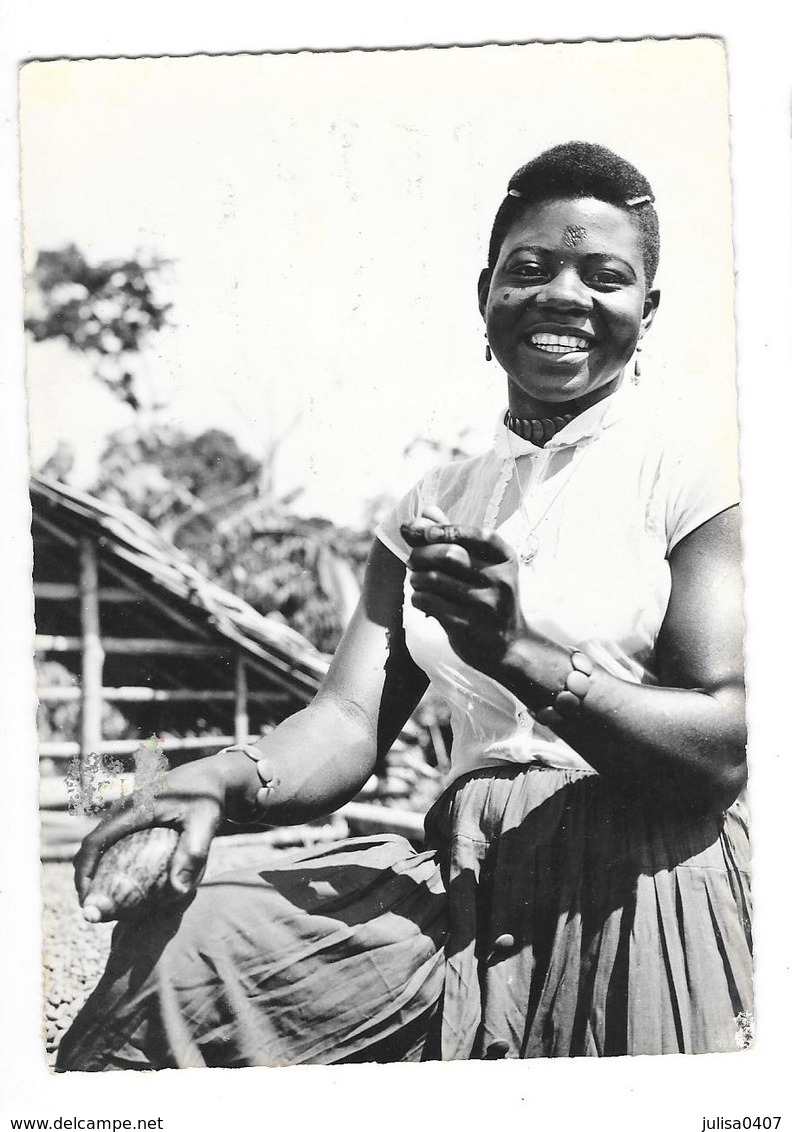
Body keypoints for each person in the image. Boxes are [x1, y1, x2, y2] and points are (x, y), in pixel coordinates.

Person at [57, 141, 751, 1069]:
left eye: (606, 276)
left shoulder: (692, 480)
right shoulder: (434, 503)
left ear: (647, 310)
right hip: (470, 870)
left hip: (644, 881)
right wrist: (214, 780)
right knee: (187, 957)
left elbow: (720, 749)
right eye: (530, 269)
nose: (563, 296)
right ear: (486, 294)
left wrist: (521, 654)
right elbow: (347, 720)